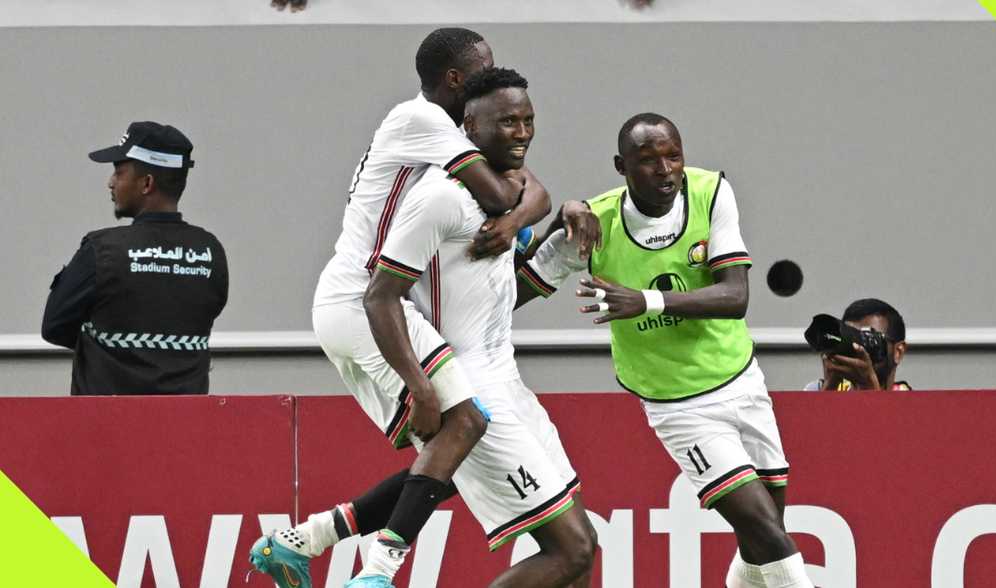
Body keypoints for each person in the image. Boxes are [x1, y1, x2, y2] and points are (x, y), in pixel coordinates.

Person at [248, 28, 556, 588]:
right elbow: (503, 191)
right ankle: (376, 573)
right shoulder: (425, 122)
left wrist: (515, 219)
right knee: (464, 423)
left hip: (372, 301)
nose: (494, 78)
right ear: (456, 80)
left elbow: (534, 192)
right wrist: (419, 385)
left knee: (455, 454)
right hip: (365, 299)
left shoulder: (446, 128)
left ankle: (303, 540)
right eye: (483, 69)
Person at [518, 113, 814, 587]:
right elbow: (517, 290)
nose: (665, 170)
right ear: (621, 166)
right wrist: (560, 215)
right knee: (766, 532)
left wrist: (645, 301)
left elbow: (735, 297)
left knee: (763, 538)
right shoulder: (596, 225)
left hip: (742, 382)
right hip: (679, 406)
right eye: (648, 160)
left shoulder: (711, 192)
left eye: (673, 156)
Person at [359, 66, 596, 588]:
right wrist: (422, 388)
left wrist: (561, 230)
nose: (522, 132)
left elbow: (500, 297)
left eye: (528, 119)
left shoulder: (506, 193)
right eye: (507, 121)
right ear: (468, 125)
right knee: (572, 548)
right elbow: (379, 298)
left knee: (579, 551)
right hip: (471, 389)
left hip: (507, 381)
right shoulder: (440, 197)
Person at [41, 121, 228, 396]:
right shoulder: (210, 252)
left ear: (147, 183)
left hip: (105, 430)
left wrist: (110, 344)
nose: (111, 182)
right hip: (187, 430)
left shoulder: (101, 250)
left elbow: (54, 327)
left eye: (119, 171)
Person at [805, 298, 911, 391]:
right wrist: (830, 388)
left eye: (869, 337)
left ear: (898, 352)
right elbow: (817, 414)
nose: (857, 349)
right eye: (850, 338)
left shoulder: (914, 404)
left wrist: (868, 389)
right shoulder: (816, 391)